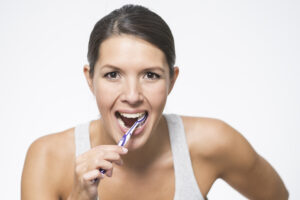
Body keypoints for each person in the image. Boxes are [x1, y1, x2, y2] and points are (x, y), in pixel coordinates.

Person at [21, 4, 289, 200]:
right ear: (90, 79)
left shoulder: (214, 142)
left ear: (171, 80)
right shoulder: (47, 158)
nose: (133, 95)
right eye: (113, 75)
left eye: (150, 75)